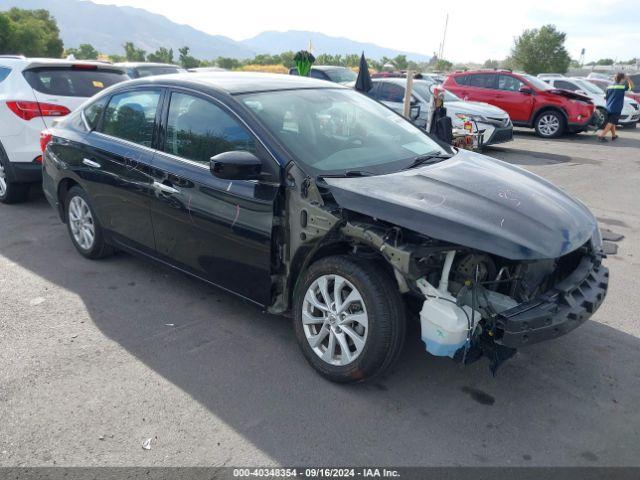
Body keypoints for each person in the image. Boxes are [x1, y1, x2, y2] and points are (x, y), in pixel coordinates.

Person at [598, 72, 634, 142]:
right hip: (616, 107)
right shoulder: (622, 86)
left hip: (608, 106)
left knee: (612, 122)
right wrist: (628, 79)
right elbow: (632, 87)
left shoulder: (609, 86)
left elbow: (606, 97)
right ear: (622, 78)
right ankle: (602, 136)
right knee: (611, 122)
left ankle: (614, 136)